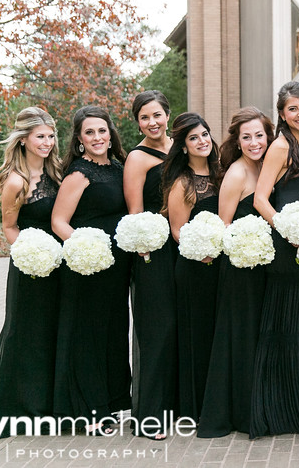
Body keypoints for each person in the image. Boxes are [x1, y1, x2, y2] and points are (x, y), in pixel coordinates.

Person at [0, 108, 63, 442]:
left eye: (51, 136)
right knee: (26, 334)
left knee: (52, 332)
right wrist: (33, 255)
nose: (47, 142)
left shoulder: (57, 174)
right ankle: (23, 408)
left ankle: (49, 405)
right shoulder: (16, 181)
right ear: (23, 140)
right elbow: (9, 228)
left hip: (59, 266)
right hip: (31, 267)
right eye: (40, 137)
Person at [251, 81, 299, 437]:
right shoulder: (280, 147)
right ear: (282, 115)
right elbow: (261, 199)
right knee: (286, 328)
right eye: (293, 109)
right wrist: (287, 229)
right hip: (286, 247)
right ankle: (281, 411)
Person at [51, 106, 131, 435]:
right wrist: (88, 245)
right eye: (89, 133)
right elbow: (59, 222)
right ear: (80, 140)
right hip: (88, 268)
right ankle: (91, 412)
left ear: (111, 134)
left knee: (113, 333)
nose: (97, 137)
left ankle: (111, 404)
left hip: (116, 269)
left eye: (102, 131)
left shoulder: (119, 168)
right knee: (90, 336)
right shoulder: (78, 174)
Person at [198, 107, 274, 438]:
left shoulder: (269, 168)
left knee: (260, 338)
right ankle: (240, 414)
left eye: (259, 135)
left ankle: (258, 407)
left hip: (265, 268)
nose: (254, 142)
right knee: (241, 338)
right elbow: (222, 226)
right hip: (240, 269)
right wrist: (245, 248)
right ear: (237, 141)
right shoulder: (237, 173)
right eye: (247, 137)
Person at [122, 90, 176, 440]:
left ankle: (179, 407)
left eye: (157, 114)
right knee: (157, 331)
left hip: (188, 247)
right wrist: (145, 245)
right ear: (138, 122)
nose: (152, 122)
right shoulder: (137, 159)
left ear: (168, 114)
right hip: (153, 252)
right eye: (144, 117)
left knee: (180, 328)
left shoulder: (182, 146)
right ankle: (150, 415)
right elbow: (135, 212)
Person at [161, 112, 222, 423]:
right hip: (195, 269)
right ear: (183, 146)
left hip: (221, 269)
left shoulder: (220, 174)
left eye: (205, 134)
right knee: (197, 336)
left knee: (216, 336)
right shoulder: (183, 183)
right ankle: (195, 408)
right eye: (194, 138)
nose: (203, 141)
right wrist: (204, 252)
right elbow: (178, 231)